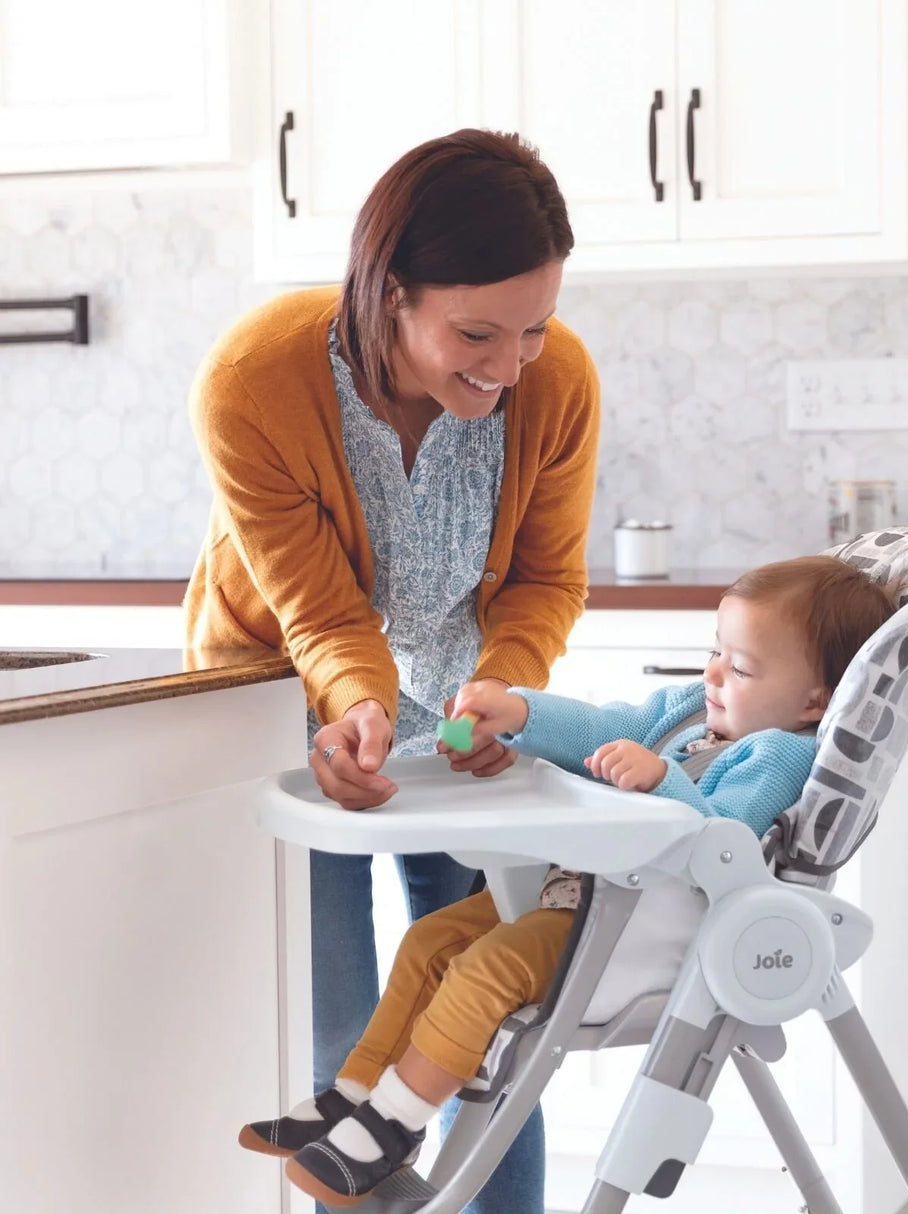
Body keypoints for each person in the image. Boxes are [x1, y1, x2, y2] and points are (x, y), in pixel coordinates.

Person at [185, 129, 600, 1213]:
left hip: (467, 712)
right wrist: (359, 707)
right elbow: (320, 613)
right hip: (291, 697)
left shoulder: (555, 382)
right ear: (386, 293)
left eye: (534, 328)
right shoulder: (253, 381)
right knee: (337, 1020)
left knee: (488, 1012)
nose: (510, 365)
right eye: (476, 333)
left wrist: (506, 691)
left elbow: (546, 578)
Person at [236, 554, 896, 1208]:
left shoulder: (776, 753)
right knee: (430, 940)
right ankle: (354, 1096)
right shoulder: (693, 712)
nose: (713, 674)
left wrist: (663, 782)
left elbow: (727, 842)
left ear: (815, 700)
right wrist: (518, 712)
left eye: (742, 668)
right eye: (714, 652)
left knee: (484, 971)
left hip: (640, 932)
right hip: (583, 897)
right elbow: (605, 726)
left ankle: (394, 1124)